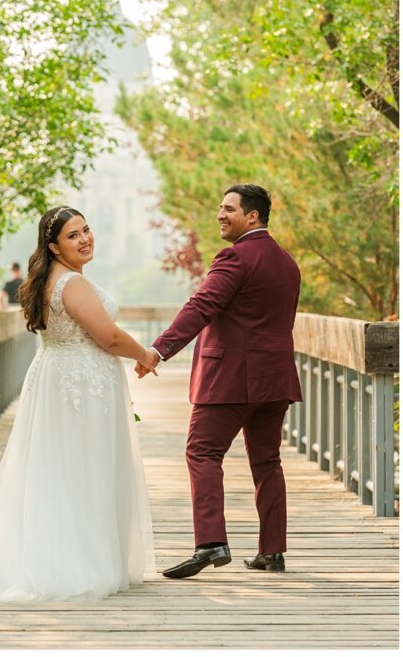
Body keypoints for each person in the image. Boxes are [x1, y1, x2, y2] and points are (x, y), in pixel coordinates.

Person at [0, 206, 156, 601]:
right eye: (73, 235)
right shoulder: (71, 284)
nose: (85, 239)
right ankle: (74, 561)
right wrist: (145, 354)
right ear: (54, 246)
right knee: (82, 465)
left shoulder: (49, 280)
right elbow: (108, 337)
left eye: (86, 230)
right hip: (79, 381)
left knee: (63, 464)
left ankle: (65, 549)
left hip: (58, 373)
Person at [136, 184, 302, 580]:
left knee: (202, 453)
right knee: (267, 462)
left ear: (253, 217)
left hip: (229, 379)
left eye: (228, 209)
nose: (220, 215)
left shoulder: (234, 258)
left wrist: (158, 350)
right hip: (274, 379)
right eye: (219, 207)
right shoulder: (287, 263)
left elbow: (201, 306)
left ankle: (211, 542)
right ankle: (272, 551)